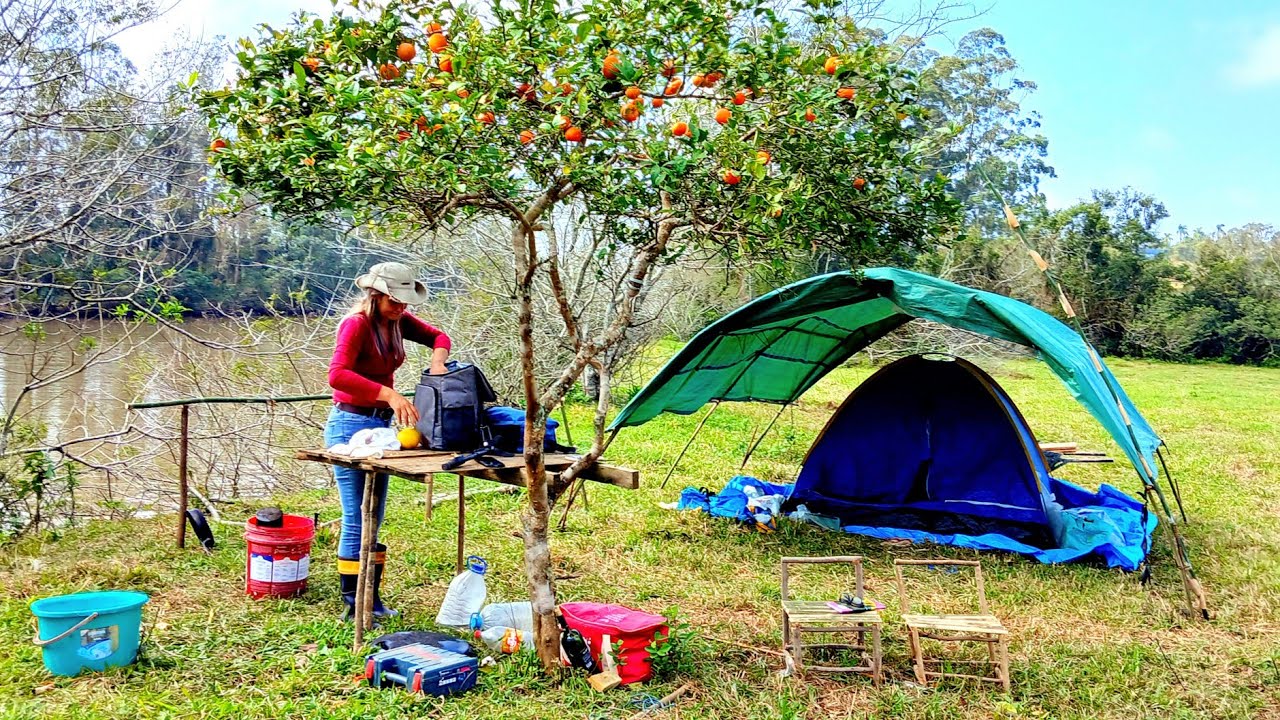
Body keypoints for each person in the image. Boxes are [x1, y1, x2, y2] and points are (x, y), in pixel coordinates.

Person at [325, 262, 451, 619]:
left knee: (375, 513)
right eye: (394, 300)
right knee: (357, 515)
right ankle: (355, 603)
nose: (401, 307)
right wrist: (390, 395)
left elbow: (439, 337)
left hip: (380, 427)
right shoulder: (356, 324)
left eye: (404, 301)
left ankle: (372, 598)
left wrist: (438, 362)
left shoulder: (398, 321)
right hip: (349, 424)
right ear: (375, 295)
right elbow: (337, 375)